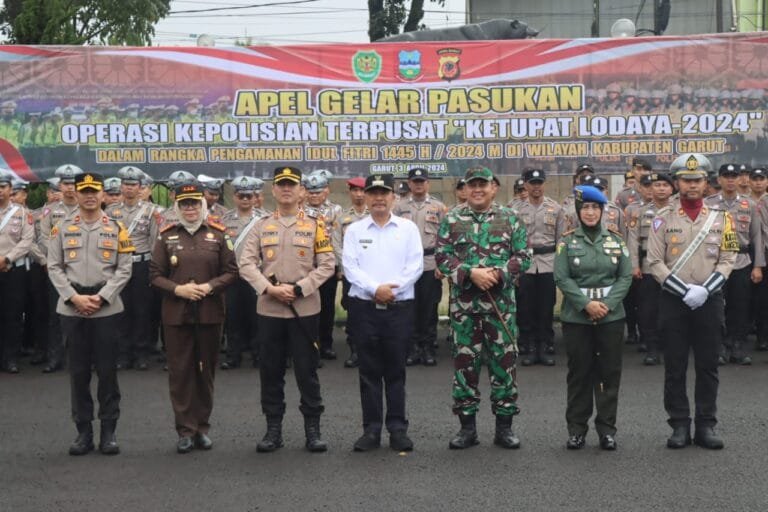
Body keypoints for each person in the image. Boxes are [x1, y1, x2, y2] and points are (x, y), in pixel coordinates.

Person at [239, 166, 335, 453]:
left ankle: (313, 430)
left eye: (291, 185)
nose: (286, 189)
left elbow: (328, 264)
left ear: (301, 191)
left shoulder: (315, 225)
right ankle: (273, 429)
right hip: (270, 308)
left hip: (304, 308)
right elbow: (246, 263)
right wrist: (269, 289)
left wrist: (300, 288)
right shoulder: (261, 225)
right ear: (273, 190)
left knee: (307, 371)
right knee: (270, 371)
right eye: (281, 185)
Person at [435, 166, 531, 450]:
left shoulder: (510, 218)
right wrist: (469, 273)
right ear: (465, 189)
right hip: (465, 310)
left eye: (482, 185)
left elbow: (524, 256)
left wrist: (499, 273)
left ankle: (504, 428)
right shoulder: (451, 219)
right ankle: (467, 429)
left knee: (504, 367)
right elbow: (442, 257)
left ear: (493, 188)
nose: (477, 189)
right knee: (465, 368)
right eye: (472, 185)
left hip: (501, 309)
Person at [647, 153, 737, 450]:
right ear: (677, 183)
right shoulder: (662, 219)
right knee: (674, 366)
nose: (692, 185)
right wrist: (683, 290)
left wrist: (705, 290)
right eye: (686, 180)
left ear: (706, 182)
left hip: (708, 301)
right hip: (674, 300)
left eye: (697, 179)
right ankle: (680, 424)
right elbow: (655, 262)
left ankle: (706, 424)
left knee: (708, 365)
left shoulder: (723, 218)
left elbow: (728, 259)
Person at [47, 172, 134, 455]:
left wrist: (101, 296)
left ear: (102, 194)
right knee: (79, 374)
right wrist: (73, 297)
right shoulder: (61, 227)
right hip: (72, 309)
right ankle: (83, 432)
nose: (88, 196)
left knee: (108, 373)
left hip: (105, 309)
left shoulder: (117, 228)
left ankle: (109, 432)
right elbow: (54, 266)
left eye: (93, 191)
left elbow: (124, 269)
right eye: (83, 191)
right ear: (77, 193)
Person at [150, 182, 237, 454]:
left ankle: (202, 428)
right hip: (177, 314)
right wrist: (179, 289)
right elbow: (154, 275)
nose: (190, 208)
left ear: (203, 205)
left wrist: (209, 287)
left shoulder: (219, 235)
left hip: (210, 312)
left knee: (205, 371)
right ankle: (185, 430)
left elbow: (232, 271)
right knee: (180, 373)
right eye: (185, 203)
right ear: (177, 206)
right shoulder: (166, 236)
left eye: (195, 203)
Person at [343, 173, 423, 452]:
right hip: (364, 308)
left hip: (398, 308)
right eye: (373, 192)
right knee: (369, 371)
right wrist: (376, 288)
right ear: (365, 196)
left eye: (384, 193)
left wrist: (392, 290)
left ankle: (398, 429)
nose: (378, 198)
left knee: (396, 371)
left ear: (394, 197)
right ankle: (372, 430)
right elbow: (350, 268)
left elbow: (415, 266)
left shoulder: (408, 228)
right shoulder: (354, 230)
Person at [554, 185, 632, 450]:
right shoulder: (567, 242)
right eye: (585, 207)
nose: (590, 212)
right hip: (577, 318)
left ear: (602, 211)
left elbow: (625, 277)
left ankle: (607, 430)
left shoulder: (616, 240)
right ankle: (576, 430)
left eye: (595, 207)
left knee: (609, 374)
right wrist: (586, 304)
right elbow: (562, 277)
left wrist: (606, 306)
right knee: (580, 374)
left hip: (610, 318)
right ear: (578, 211)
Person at [704, 163, 764, 365]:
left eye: (734, 176)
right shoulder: (708, 203)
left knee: (740, 306)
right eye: (726, 176)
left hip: (742, 261)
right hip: (716, 262)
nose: (730, 180)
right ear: (719, 180)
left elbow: (756, 237)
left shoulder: (749, 205)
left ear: (740, 179)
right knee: (716, 306)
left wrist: (757, 266)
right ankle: (718, 346)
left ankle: (736, 346)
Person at [107, 166, 163, 370]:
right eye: (125, 184)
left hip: (142, 263)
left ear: (140, 187)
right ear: (120, 186)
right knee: (121, 309)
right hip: (119, 265)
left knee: (142, 310)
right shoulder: (111, 211)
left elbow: (155, 242)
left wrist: (153, 269)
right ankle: (123, 353)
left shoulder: (151, 211)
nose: (129, 188)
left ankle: (141, 353)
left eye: (133, 185)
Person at [393, 167, 446, 366]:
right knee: (408, 308)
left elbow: (444, 237)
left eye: (422, 181)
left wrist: (442, 264)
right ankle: (412, 348)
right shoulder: (398, 207)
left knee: (429, 308)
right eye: (415, 181)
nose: (418, 184)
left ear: (428, 184)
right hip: (406, 265)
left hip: (430, 263)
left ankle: (428, 347)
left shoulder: (438, 207)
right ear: (409, 183)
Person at [516, 168, 565, 365]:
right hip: (525, 263)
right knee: (525, 307)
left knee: (546, 307)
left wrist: (560, 267)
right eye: (532, 183)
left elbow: (561, 240)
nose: (536, 187)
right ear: (525, 185)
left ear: (544, 184)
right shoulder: (516, 210)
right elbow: (512, 240)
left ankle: (544, 345)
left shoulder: (556, 209)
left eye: (539, 183)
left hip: (548, 263)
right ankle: (527, 345)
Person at [626, 172, 675, 365]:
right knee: (648, 310)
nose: (661, 188)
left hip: (673, 269)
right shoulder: (640, 213)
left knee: (672, 311)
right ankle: (652, 349)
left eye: (665, 185)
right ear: (649, 189)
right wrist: (634, 265)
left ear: (672, 188)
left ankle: (672, 348)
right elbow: (633, 240)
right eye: (657, 185)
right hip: (647, 269)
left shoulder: (678, 211)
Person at [220, 176, 266, 369]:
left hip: (256, 274)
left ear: (255, 197)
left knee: (256, 316)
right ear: (235, 196)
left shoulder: (265, 218)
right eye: (241, 196)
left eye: (249, 196)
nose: (245, 200)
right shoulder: (225, 219)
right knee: (232, 316)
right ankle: (233, 355)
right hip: (233, 275)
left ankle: (258, 354)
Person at [303, 172, 343, 360]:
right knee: (308, 307)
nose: (314, 196)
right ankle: (311, 345)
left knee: (327, 307)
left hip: (328, 265)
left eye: (318, 192)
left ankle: (326, 344)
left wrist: (340, 267)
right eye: (311, 192)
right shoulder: (299, 210)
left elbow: (337, 239)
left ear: (326, 191)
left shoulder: (336, 210)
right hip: (307, 266)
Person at [0, 169, 34, 373]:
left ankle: (11, 358)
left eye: (3, 187)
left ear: (10, 189)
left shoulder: (22, 214)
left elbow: (27, 241)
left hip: (14, 271)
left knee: (12, 315)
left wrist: (7, 258)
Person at [335, 176, 368, 368]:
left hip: (373, 274)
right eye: (355, 190)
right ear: (349, 192)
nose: (359, 194)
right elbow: (336, 246)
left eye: (362, 190)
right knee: (354, 314)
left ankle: (372, 351)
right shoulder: (342, 218)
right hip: (351, 275)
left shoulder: (375, 215)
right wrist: (349, 267)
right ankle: (355, 350)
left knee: (374, 311)